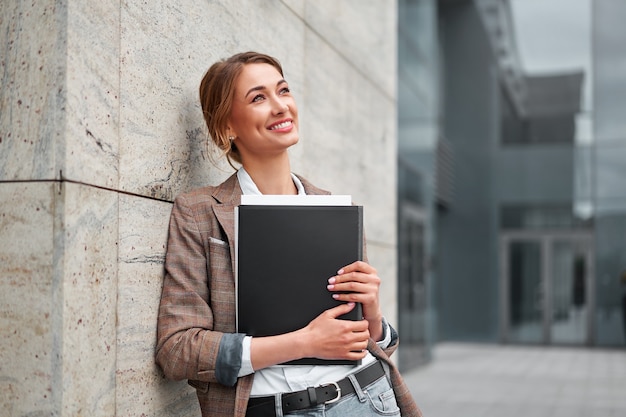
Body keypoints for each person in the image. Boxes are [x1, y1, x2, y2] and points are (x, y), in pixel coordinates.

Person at [155, 51, 423, 417]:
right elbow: (176, 349)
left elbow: (372, 344)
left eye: (284, 90)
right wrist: (302, 343)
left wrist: (372, 313)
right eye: (258, 98)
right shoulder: (200, 212)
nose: (281, 106)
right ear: (227, 127)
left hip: (367, 400)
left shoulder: (331, 207)